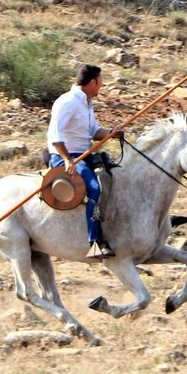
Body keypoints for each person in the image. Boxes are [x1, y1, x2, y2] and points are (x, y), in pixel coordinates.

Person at [48, 64, 123, 258]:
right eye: (101, 81)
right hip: (67, 156)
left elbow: (93, 132)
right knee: (95, 188)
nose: (102, 85)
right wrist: (67, 160)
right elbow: (55, 136)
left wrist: (111, 133)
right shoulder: (67, 102)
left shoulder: (87, 103)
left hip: (85, 154)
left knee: (116, 175)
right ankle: (94, 242)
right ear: (93, 82)